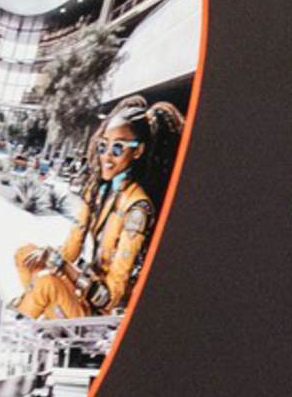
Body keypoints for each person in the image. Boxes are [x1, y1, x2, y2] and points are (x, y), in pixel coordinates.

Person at [15, 95, 183, 319]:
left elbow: (110, 297)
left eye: (118, 149)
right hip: (79, 292)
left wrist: (62, 267)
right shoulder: (96, 192)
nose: (106, 157)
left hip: (97, 313)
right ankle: (32, 312)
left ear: (138, 151)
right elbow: (69, 251)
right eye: (103, 146)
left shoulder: (137, 209)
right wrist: (47, 256)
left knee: (46, 282)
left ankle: (22, 322)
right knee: (25, 254)